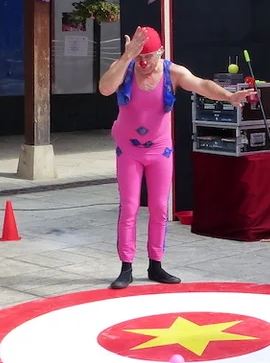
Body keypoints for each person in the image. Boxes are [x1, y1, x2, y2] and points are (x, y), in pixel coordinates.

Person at [99, 25, 254, 289]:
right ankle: (126, 267)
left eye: (149, 57)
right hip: (129, 150)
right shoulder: (124, 68)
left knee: (160, 208)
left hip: (160, 150)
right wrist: (127, 57)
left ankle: (156, 264)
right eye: (139, 57)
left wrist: (228, 96)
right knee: (130, 207)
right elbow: (105, 88)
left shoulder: (173, 73)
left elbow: (202, 85)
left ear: (160, 52)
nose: (144, 63)